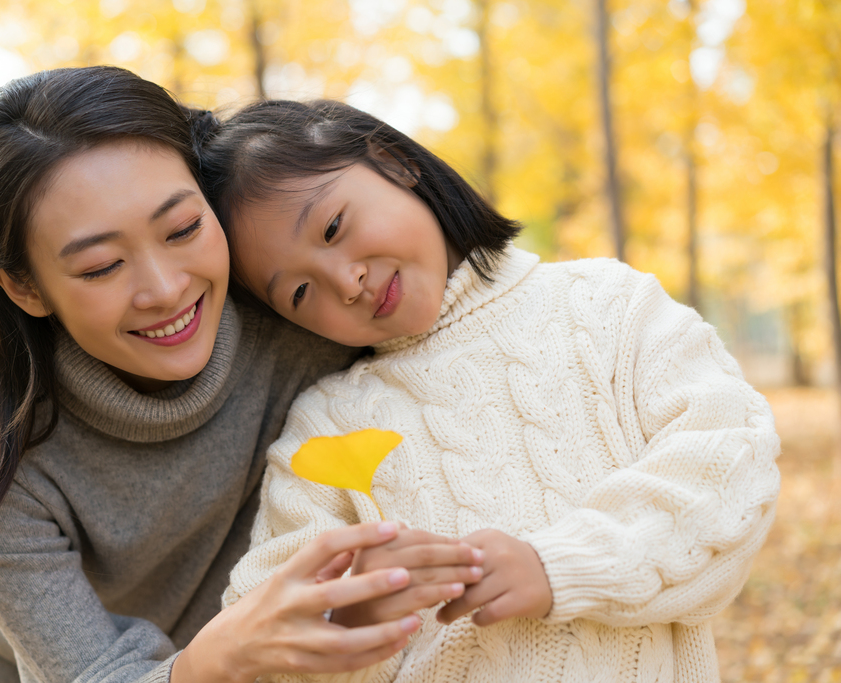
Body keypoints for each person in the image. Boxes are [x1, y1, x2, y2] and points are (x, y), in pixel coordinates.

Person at [0, 67, 488, 683]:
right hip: (9, 650)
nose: (166, 289)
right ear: (23, 287)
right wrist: (216, 657)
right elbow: (91, 672)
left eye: (183, 229)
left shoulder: (297, 307)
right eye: (102, 266)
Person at [198, 99, 782, 682]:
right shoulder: (327, 429)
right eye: (300, 292)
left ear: (395, 162)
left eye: (332, 227)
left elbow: (731, 464)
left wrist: (557, 566)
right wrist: (356, 624)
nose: (345, 281)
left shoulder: (610, 308)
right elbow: (263, 637)